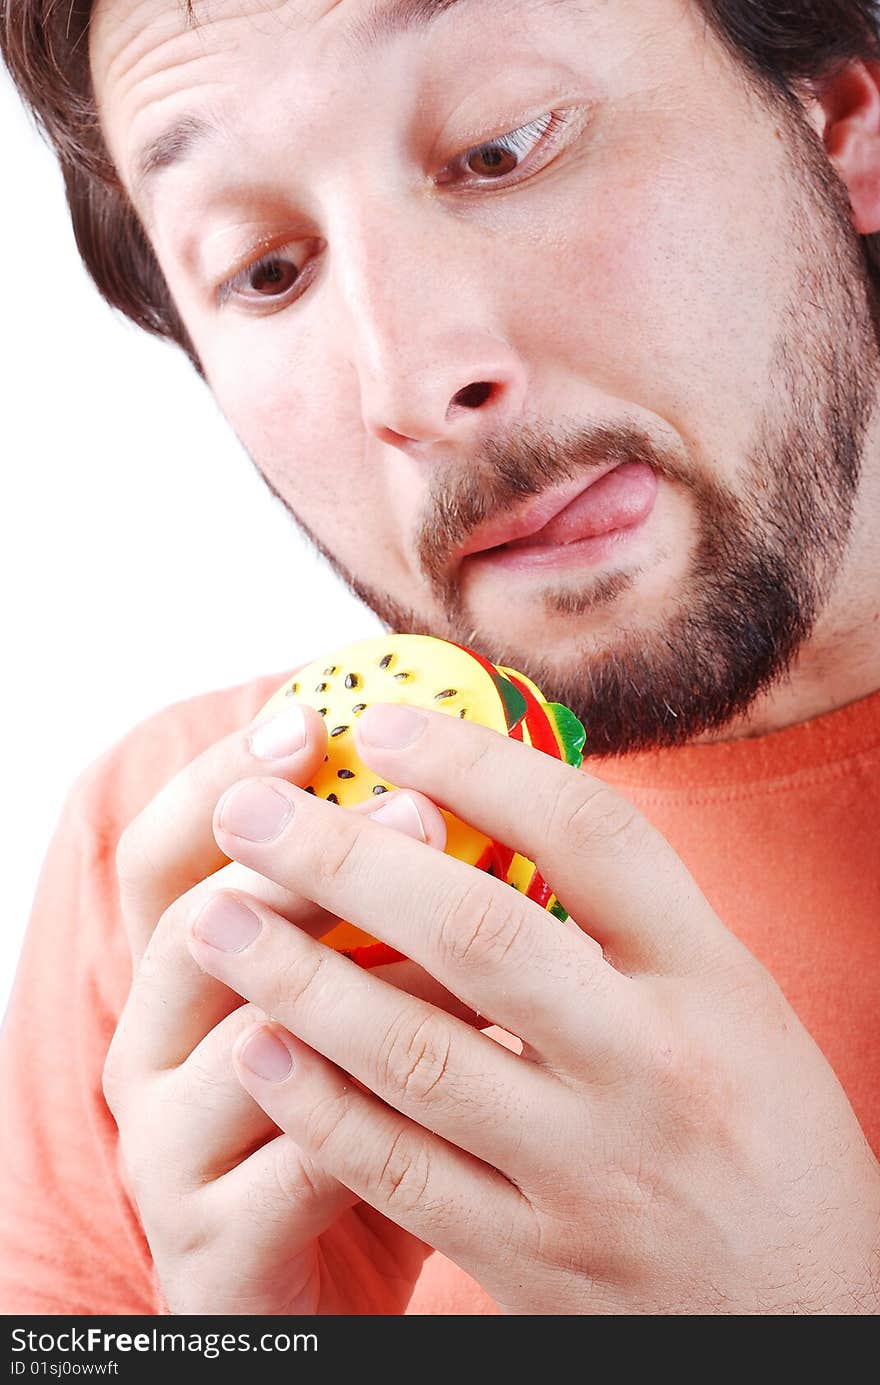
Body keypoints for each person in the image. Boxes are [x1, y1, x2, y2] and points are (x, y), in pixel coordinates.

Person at [1, 0, 879, 1316]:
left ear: (844, 125)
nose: (411, 376)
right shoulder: (191, 888)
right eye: (265, 269)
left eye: (504, 147)